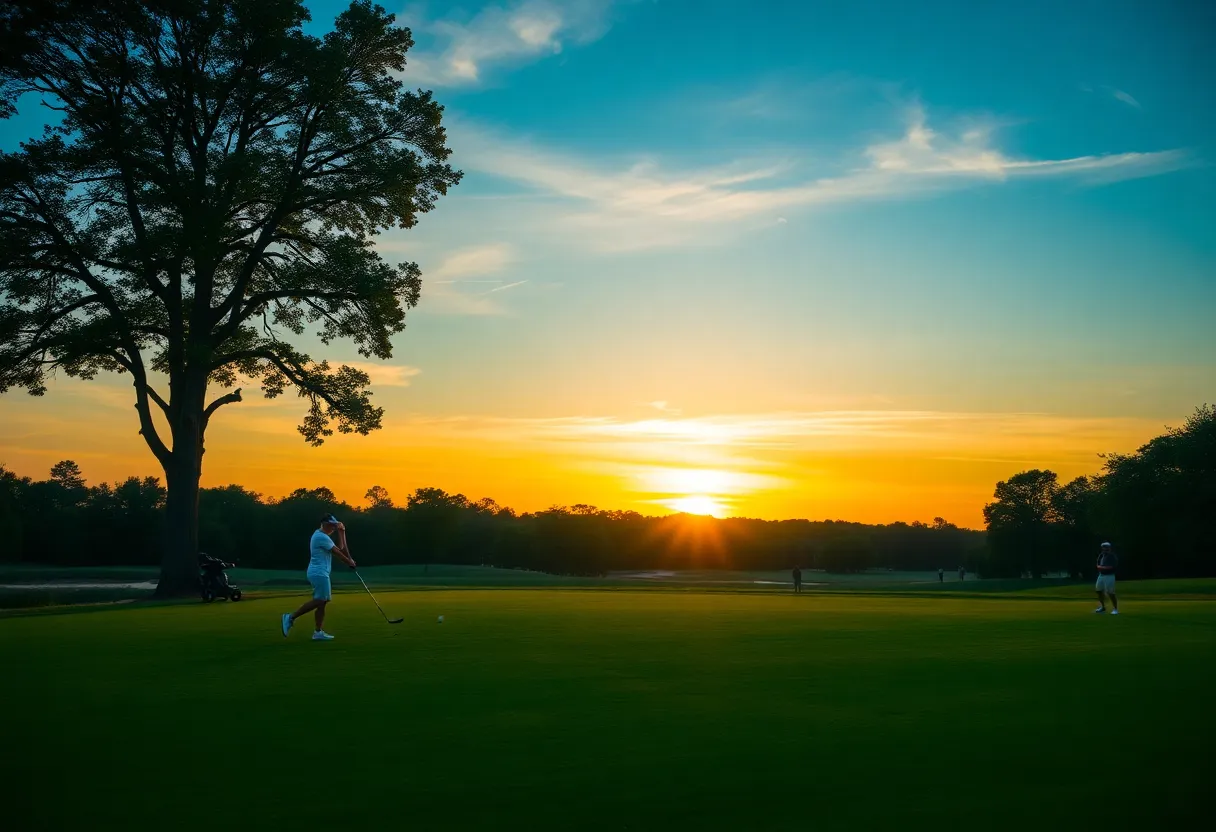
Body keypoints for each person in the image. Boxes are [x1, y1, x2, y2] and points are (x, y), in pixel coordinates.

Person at [281, 514, 356, 640]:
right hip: (318, 573)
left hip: (321, 572)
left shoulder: (324, 536)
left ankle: (318, 632)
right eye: (332, 525)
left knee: (322, 602)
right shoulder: (320, 536)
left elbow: (341, 548)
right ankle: (290, 617)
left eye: (334, 525)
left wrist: (342, 533)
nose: (333, 528)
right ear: (324, 524)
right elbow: (338, 553)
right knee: (320, 599)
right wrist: (349, 562)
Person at [1093, 542, 1120, 615]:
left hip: (1109, 575)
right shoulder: (1101, 555)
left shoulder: (1112, 556)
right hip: (1101, 575)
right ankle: (1102, 607)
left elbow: (1112, 567)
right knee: (1098, 590)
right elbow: (1097, 565)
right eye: (1103, 547)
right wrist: (1101, 567)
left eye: (1106, 547)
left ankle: (1115, 609)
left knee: (1110, 592)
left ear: (1109, 548)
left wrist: (1102, 567)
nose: (1105, 549)